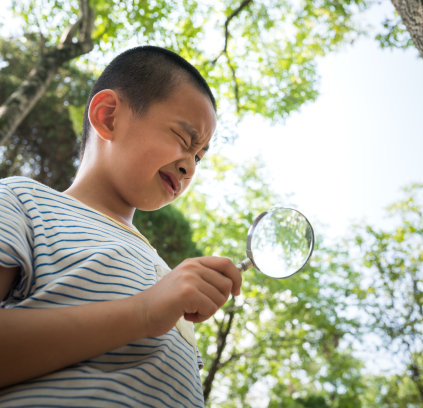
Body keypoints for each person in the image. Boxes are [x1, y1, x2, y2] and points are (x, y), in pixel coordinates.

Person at [0, 45, 242, 407]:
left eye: (198, 156)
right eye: (183, 139)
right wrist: (144, 312)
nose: (190, 167)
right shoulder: (23, 202)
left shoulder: (163, 269)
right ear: (109, 116)